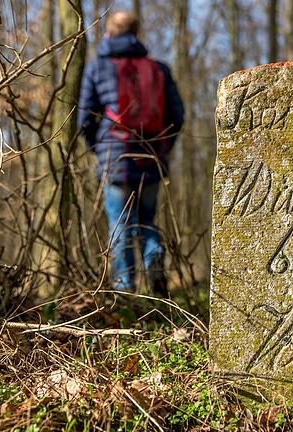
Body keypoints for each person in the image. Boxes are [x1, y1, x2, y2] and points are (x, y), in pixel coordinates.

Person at [78, 10, 184, 294]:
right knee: (147, 220)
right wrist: (163, 148)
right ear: (137, 33)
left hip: (115, 159)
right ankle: (154, 260)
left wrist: (97, 151)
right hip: (151, 158)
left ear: (108, 33)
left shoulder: (97, 68)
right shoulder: (159, 69)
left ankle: (125, 291)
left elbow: (85, 119)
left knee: (120, 223)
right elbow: (178, 115)